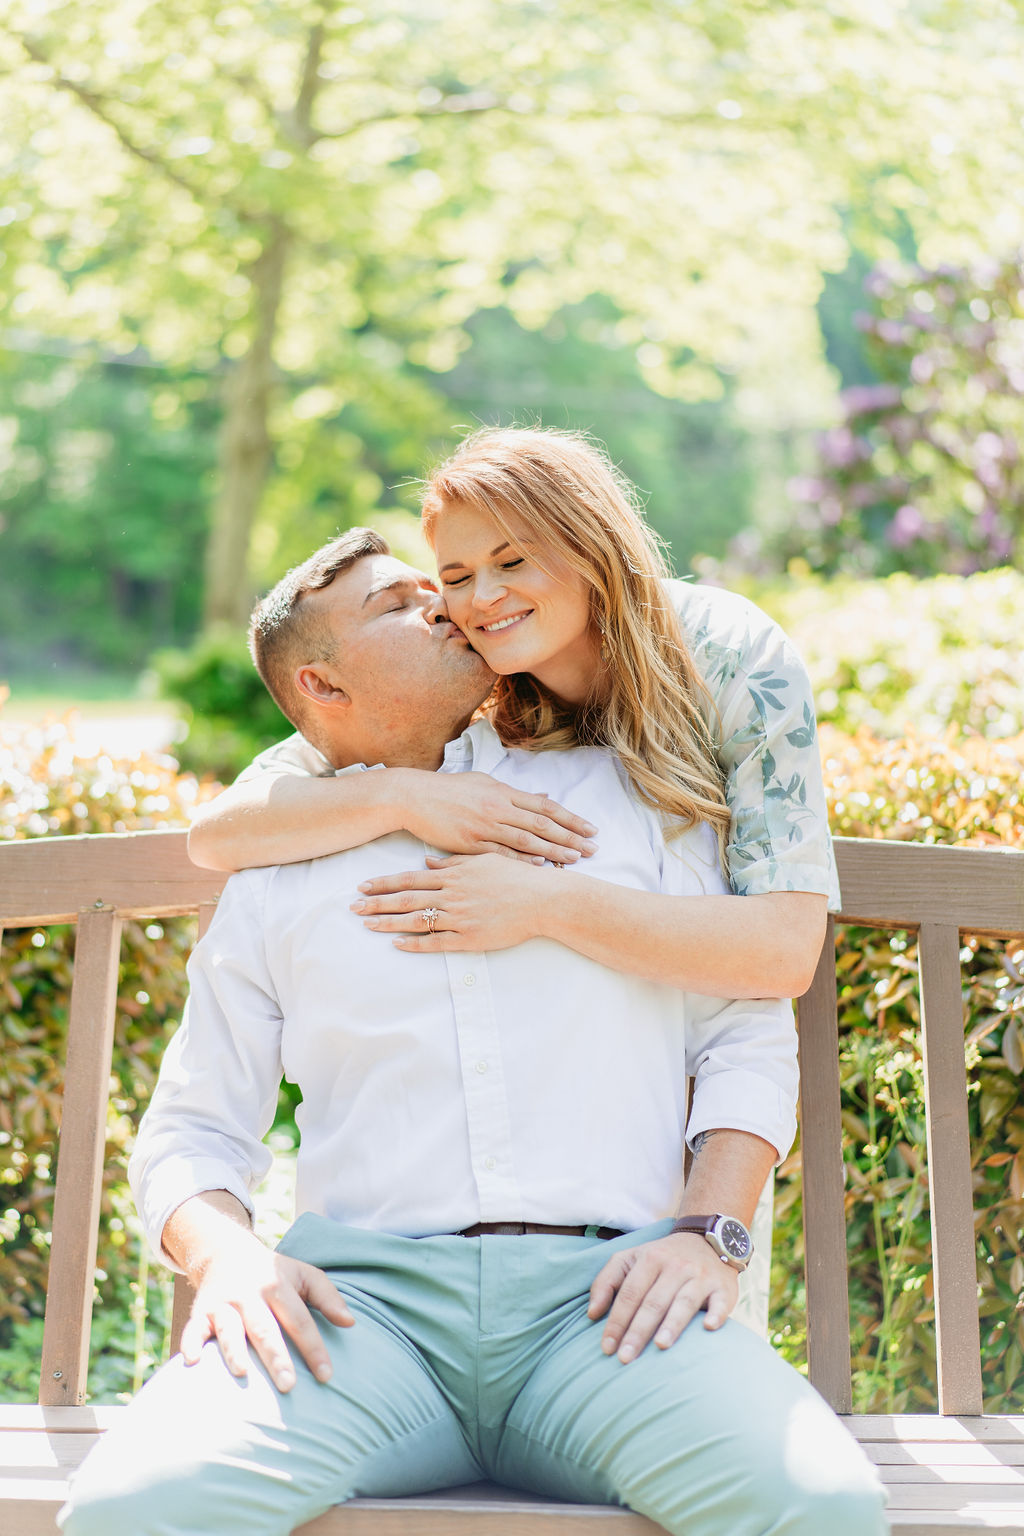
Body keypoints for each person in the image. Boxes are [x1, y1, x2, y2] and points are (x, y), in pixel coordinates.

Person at [60, 531, 887, 1536]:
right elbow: (192, 1129)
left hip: (610, 1311)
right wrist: (229, 1258)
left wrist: (709, 1235)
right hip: (364, 1323)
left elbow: (740, 1035)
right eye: (399, 604)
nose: (449, 606)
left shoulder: (627, 797)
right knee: (132, 1508)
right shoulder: (276, 864)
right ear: (323, 682)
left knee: (819, 1504)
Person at [187, 427, 837, 1005]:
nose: (481, 600)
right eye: (458, 576)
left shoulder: (731, 657)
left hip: (712, 1042)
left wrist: (543, 904)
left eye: (512, 561)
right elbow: (219, 831)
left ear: (590, 546)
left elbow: (784, 948)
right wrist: (403, 796)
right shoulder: (474, 675)